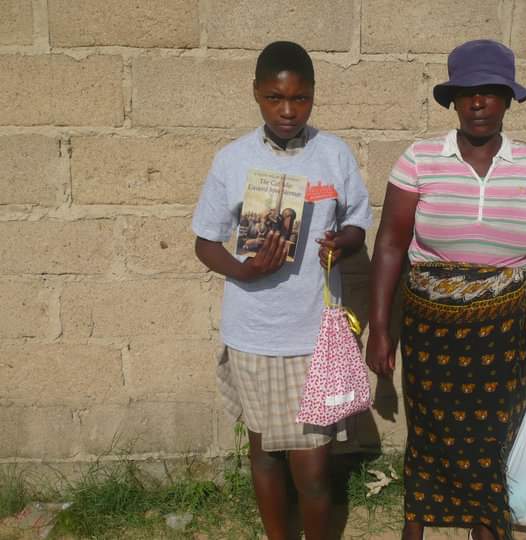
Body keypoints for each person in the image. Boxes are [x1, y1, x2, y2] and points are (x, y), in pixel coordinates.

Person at [366, 40, 526, 540]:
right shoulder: (419, 160)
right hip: (433, 335)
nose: (479, 102)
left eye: (491, 91)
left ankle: (487, 529)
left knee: (497, 440)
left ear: (508, 99)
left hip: (506, 334)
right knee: (430, 437)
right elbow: (389, 245)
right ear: (454, 100)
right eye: (468, 92)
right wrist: (380, 329)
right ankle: (417, 528)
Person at [192, 41, 371, 540]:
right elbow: (205, 242)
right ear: (256, 93)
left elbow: (357, 224)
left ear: (313, 95)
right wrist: (243, 270)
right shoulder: (233, 160)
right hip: (253, 333)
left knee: (312, 468)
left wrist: (343, 243)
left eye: (300, 98)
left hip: (313, 335)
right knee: (265, 453)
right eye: (275, 98)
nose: (288, 111)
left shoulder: (333, 154)